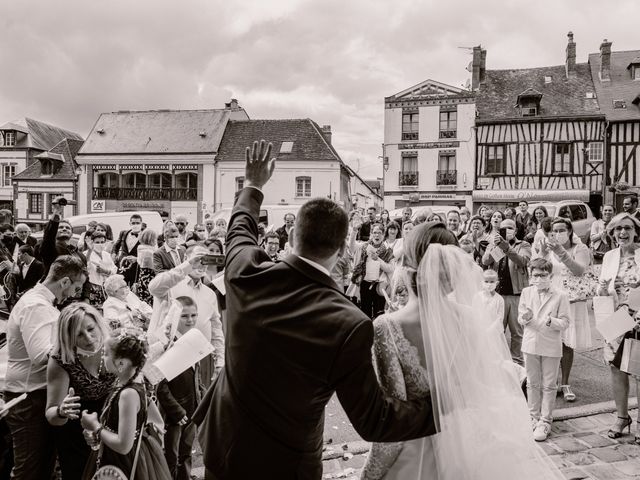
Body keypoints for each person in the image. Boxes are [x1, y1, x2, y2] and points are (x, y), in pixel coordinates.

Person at [193, 140, 437, 480]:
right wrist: (443, 406)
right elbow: (375, 420)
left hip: (225, 446)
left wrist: (253, 185)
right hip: (287, 464)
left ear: (292, 235)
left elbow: (239, 232)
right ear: (341, 250)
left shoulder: (245, 273)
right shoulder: (350, 323)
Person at [360, 222, 563, 480]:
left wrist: (368, 475)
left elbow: (393, 424)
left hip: (417, 456)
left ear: (407, 268)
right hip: (470, 449)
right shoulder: (469, 318)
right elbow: (478, 388)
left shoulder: (387, 327)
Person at [4, 256, 87, 479]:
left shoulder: (40, 302)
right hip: (28, 397)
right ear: (64, 282)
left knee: (42, 468)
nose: (73, 295)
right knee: (30, 470)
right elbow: (41, 355)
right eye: (76, 287)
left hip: (35, 393)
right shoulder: (36, 307)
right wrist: (80, 345)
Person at [80, 330, 171, 480]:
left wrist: (95, 426)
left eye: (106, 354)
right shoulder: (125, 383)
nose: (103, 357)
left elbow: (123, 445)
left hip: (123, 462)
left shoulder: (128, 394)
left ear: (121, 363)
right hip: (115, 454)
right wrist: (97, 434)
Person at [45, 303, 116, 479]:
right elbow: (51, 414)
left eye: (91, 329)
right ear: (68, 338)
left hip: (113, 429)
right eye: (79, 335)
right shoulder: (62, 359)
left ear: (99, 323)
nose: (89, 338)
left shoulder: (115, 344)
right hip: (77, 436)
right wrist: (62, 411)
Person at [148, 245, 224, 387]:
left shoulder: (210, 293)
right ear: (185, 259)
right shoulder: (171, 285)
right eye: (198, 259)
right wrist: (188, 265)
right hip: (172, 357)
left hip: (202, 359)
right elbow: (153, 287)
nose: (201, 264)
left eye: (205, 260)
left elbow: (216, 329)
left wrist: (220, 361)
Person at [533, 217, 591, 402]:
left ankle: (565, 383)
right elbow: (538, 270)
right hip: (551, 299)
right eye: (554, 231)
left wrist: (562, 253)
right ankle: (552, 381)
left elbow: (580, 270)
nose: (557, 234)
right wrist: (542, 253)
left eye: (561, 230)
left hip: (571, 301)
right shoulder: (549, 250)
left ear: (570, 231)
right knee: (550, 340)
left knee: (566, 343)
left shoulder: (580, 248)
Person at [597, 212, 640, 441]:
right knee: (616, 367)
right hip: (616, 318)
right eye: (618, 229)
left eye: (627, 228)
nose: (622, 233)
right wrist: (602, 289)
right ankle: (622, 417)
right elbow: (602, 291)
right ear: (612, 233)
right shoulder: (609, 257)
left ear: (635, 231)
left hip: (639, 316)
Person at [519, 258, 570, 442]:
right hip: (530, 342)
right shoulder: (526, 292)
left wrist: (550, 321)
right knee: (532, 382)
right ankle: (532, 416)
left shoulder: (560, 295)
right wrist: (525, 318)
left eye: (542, 275)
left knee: (549, 384)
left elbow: (565, 322)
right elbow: (520, 317)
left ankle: (545, 420)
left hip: (550, 343)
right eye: (535, 275)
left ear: (550, 275)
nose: (538, 279)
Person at [157, 296, 204, 480]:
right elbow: (160, 385)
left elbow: (195, 376)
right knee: (171, 455)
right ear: (175, 317)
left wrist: (203, 399)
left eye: (194, 315)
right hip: (174, 413)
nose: (190, 320)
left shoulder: (193, 339)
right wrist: (176, 410)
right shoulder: (167, 345)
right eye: (185, 316)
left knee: (186, 453)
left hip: (192, 408)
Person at [482, 219, 531, 366]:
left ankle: (516, 362)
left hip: (516, 294)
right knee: (496, 330)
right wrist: (497, 247)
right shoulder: (493, 244)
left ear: (515, 231)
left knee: (517, 332)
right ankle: (497, 361)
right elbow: (485, 261)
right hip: (497, 294)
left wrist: (506, 247)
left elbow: (522, 261)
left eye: (510, 228)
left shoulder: (523, 244)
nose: (507, 230)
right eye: (503, 228)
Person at [352, 223, 395, 319]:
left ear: (383, 235)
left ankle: (378, 333)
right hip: (365, 284)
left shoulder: (388, 250)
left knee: (379, 314)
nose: (377, 235)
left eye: (379, 233)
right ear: (371, 234)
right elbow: (352, 247)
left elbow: (391, 268)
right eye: (374, 232)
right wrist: (354, 231)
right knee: (365, 312)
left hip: (379, 286)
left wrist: (378, 260)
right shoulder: (364, 246)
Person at [85, 230, 118, 307]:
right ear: (92, 242)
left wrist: (106, 271)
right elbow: (85, 266)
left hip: (107, 288)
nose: (100, 244)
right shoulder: (87, 254)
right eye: (97, 242)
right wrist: (90, 250)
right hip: (93, 288)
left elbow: (114, 269)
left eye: (102, 242)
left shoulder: (106, 254)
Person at [112, 214, 143, 287]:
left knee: (134, 291)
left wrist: (137, 259)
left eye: (138, 223)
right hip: (122, 265)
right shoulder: (123, 233)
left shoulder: (145, 235)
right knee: (119, 287)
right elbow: (116, 245)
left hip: (136, 268)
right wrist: (114, 254)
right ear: (130, 223)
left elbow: (149, 253)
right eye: (133, 223)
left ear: (141, 224)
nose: (135, 225)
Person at [132, 228, 158, 306]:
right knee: (150, 304)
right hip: (149, 279)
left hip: (143, 279)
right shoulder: (149, 252)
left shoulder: (141, 248)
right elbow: (155, 267)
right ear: (151, 239)